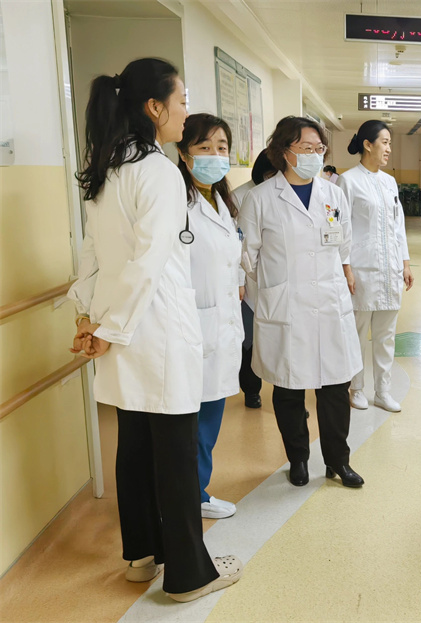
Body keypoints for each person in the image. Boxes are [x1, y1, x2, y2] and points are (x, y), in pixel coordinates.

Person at [67, 58, 241, 602]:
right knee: (175, 454)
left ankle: (142, 556)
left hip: (121, 332)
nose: (186, 112)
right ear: (154, 107)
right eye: (181, 101)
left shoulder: (108, 166)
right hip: (155, 329)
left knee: (135, 447)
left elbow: (93, 255)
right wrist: (109, 327)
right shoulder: (159, 171)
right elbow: (147, 264)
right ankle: (190, 574)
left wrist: (89, 318)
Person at [239, 116, 364, 489]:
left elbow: (343, 243)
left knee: (336, 387)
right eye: (306, 148)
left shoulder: (333, 194)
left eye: (319, 148)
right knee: (289, 388)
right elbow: (247, 258)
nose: (314, 155)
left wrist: (344, 271)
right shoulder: (260, 198)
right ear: (283, 151)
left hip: (329, 303)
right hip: (286, 308)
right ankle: (298, 459)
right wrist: (274, 291)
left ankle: (338, 461)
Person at [175, 113, 244, 519]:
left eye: (222, 147)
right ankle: (188, 497)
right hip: (191, 327)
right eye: (204, 147)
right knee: (191, 425)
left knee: (209, 420)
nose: (215, 155)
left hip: (220, 326)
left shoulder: (222, 201)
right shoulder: (177, 203)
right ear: (184, 154)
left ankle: (196, 492)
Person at [337, 120, 413, 413]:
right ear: (368, 145)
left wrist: (405, 263)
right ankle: (356, 388)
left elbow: (398, 226)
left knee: (386, 336)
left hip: (390, 270)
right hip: (362, 270)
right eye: (385, 142)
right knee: (358, 333)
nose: (389, 149)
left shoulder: (389, 182)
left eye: (390, 143)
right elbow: (342, 229)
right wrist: (346, 268)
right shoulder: (348, 181)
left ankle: (383, 391)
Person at [232, 149, 276, 409]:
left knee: (281, 340)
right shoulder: (240, 196)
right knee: (248, 340)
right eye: (270, 173)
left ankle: (287, 395)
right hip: (249, 281)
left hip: (278, 278)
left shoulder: (284, 193)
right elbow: (238, 246)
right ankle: (251, 390)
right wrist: (240, 279)